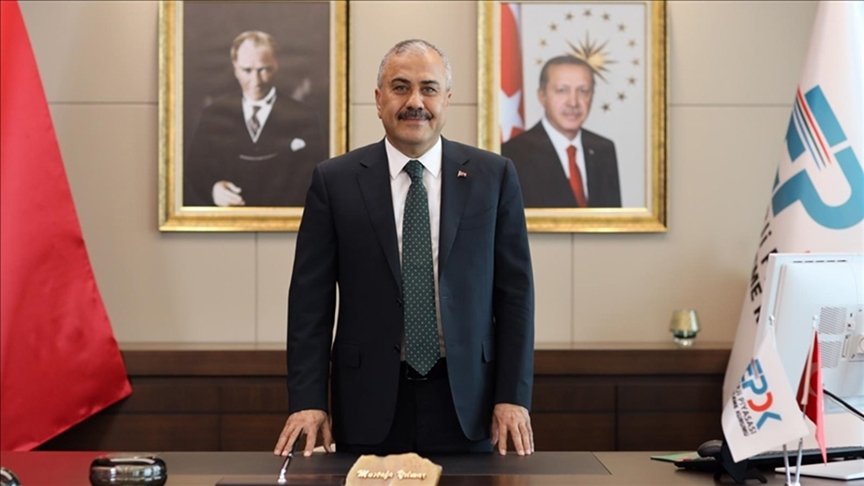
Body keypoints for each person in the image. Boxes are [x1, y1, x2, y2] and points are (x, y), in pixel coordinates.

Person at [273, 39, 535, 457]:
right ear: (378, 100)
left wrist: (513, 396)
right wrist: (308, 401)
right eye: (400, 87)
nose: (416, 101)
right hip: (368, 402)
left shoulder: (494, 176)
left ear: (448, 99)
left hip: (470, 402)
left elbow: (516, 295)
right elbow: (309, 302)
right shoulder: (334, 181)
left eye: (429, 88)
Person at [184, 30, 326, 207]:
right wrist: (213, 189)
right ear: (235, 67)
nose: (256, 80)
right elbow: (195, 169)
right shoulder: (213, 114)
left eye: (264, 69)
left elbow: (316, 177)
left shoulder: (304, 117)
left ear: (276, 65)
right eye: (247, 70)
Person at [502, 55, 621, 208]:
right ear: (542, 96)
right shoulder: (514, 154)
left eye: (583, 91)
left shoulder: (604, 150)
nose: (573, 102)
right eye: (562, 90)